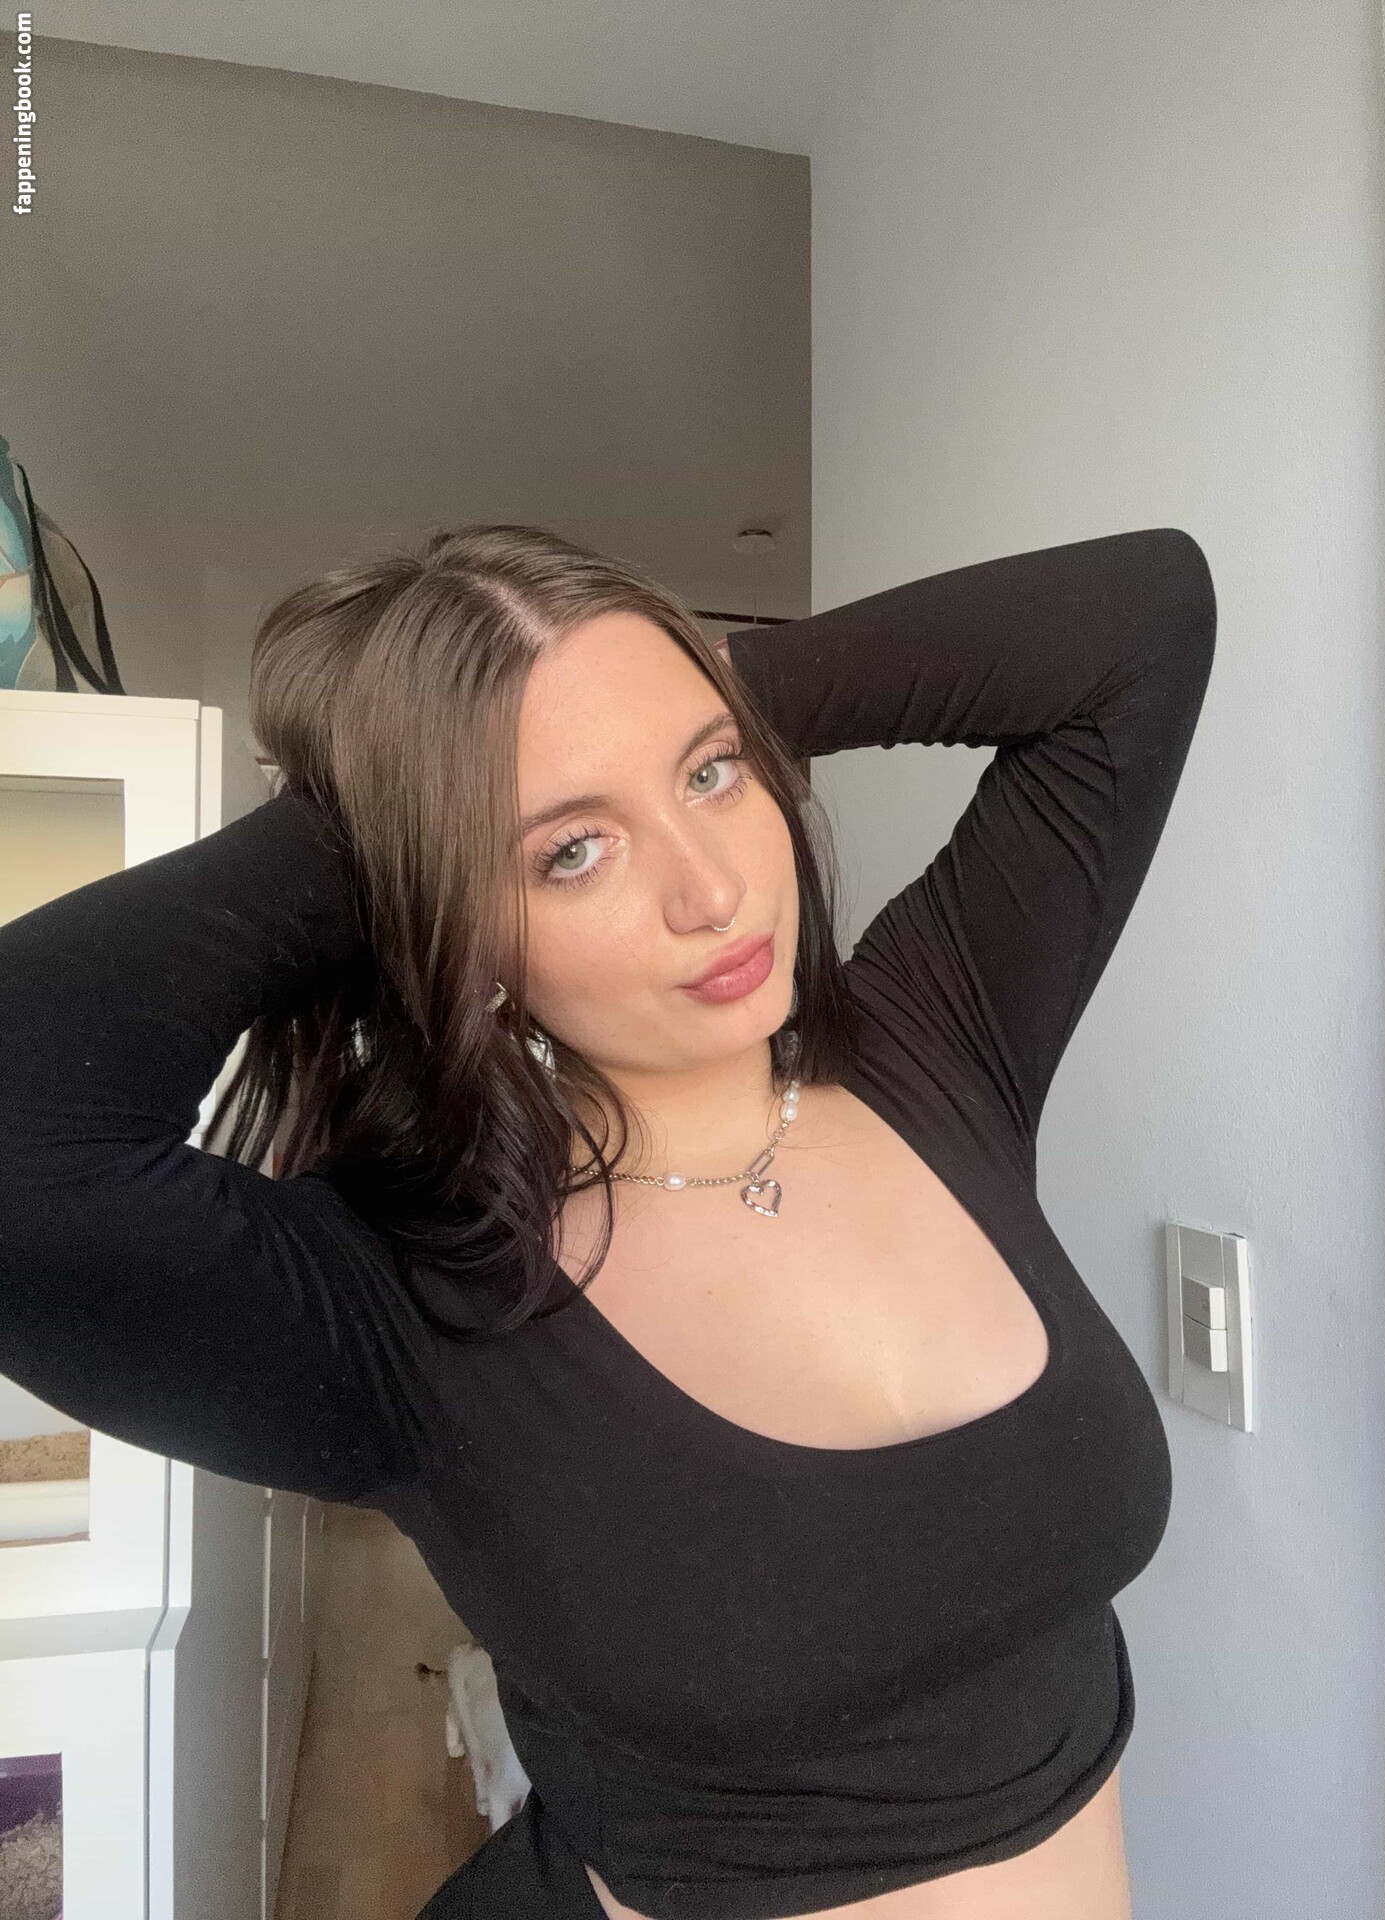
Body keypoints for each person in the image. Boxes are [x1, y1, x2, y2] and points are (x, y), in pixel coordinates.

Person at [0, 520, 1217, 1920]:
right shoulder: (411, 1302)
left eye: (715, 773)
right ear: (456, 923)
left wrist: (670, 692)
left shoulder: (936, 1055)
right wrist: (401, 812)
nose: (714, 890)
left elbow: (1142, 616)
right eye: (572, 851)